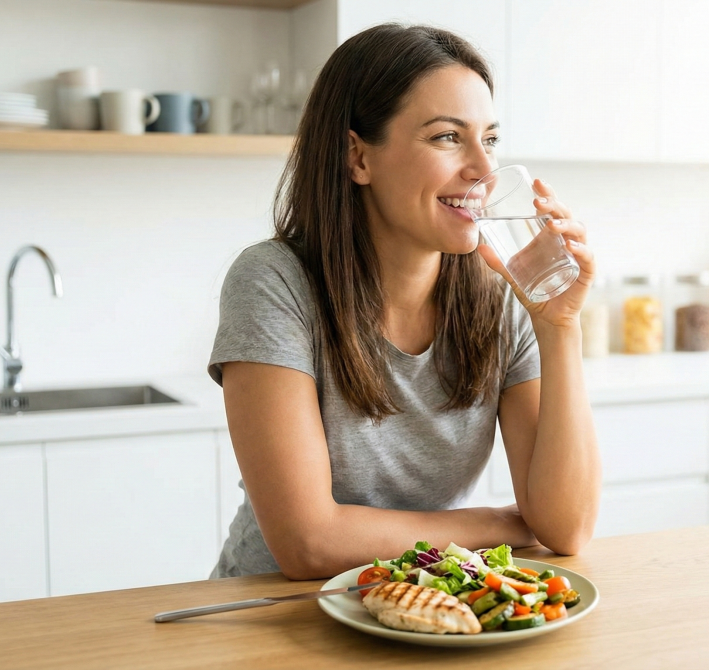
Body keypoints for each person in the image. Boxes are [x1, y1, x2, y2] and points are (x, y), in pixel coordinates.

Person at [208, 23, 601, 580]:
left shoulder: (504, 295)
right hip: (273, 613)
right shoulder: (274, 283)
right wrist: (501, 524)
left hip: (424, 607)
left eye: (489, 139)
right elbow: (309, 544)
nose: (485, 171)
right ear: (357, 157)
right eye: (447, 137)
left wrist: (560, 326)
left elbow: (567, 527)